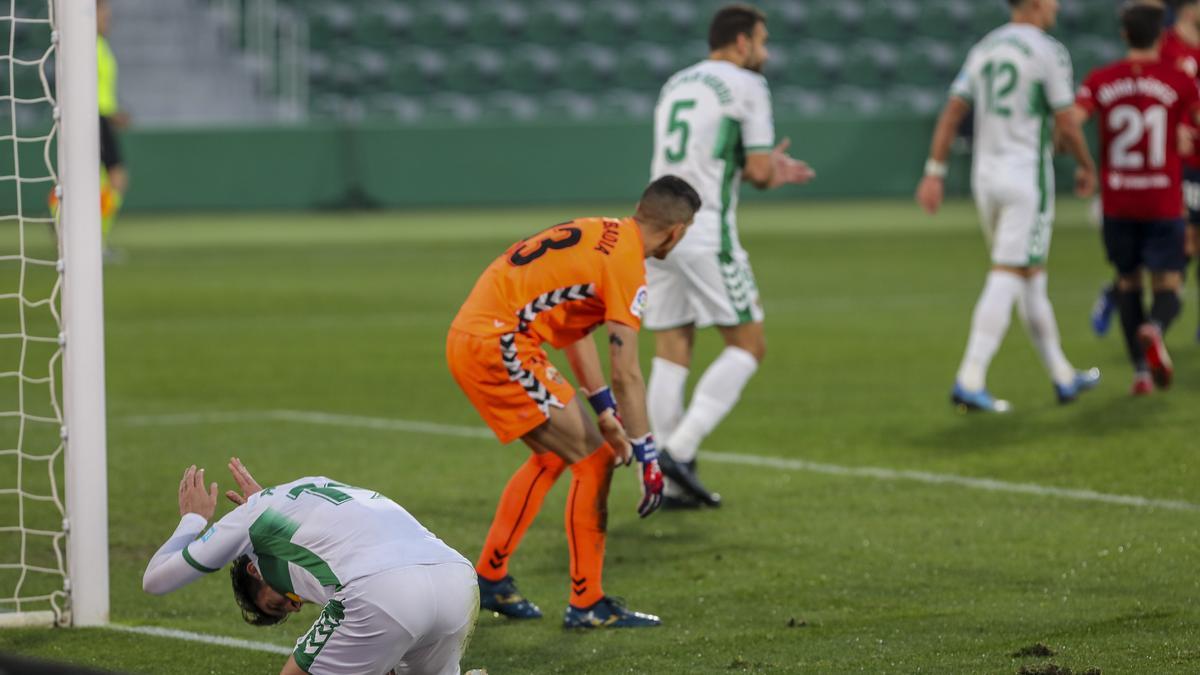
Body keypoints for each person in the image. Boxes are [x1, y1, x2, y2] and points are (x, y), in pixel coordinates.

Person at [446, 176, 700, 628]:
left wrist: (603, 411)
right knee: (595, 462)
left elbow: (574, 332)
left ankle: (490, 578)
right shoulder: (627, 265)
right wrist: (647, 454)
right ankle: (587, 603)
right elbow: (627, 372)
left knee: (554, 456)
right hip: (500, 343)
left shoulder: (600, 232)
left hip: (480, 335)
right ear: (677, 231)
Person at [645, 5, 815, 508]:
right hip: (701, 225)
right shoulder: (747, 84)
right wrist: (767, 169)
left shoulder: (678, 82)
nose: (764, 53)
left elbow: (704, 154)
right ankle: (681, 448)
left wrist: (745, 165)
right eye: (761, 42)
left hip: (653, 225)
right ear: (741, 43)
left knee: (672, 344)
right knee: (748, 344)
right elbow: (760, 170)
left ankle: (667, 481)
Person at [916, 0, 1101, 412]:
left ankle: (1062, 376)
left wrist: (934, 170)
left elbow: (952, 111)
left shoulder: (986, 47)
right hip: (1024, 178)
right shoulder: (1047, 50)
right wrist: (1087, 165)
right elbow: (1067, 121)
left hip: (985, 178)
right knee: (1009, 271)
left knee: (1029, 274)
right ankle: (970, 377)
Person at [142, 459, 479, 675]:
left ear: (254, 570)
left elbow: (155, 581)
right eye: (292, 607)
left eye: (277, 600)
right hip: (457, 580)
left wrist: (193, 518)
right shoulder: (309, 489)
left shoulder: (249, 522)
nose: (295, 602)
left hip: (381, 589)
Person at [1074, 1, 1199, 394]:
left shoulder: (1100, 79)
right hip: (1162, 199)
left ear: (1124, 34)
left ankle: (1140, 375)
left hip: (1118, 201)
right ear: (1162, 35)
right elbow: (1191, 128)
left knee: (1129, 282)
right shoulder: (1178, 81)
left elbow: (1072, 121)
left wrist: (1084, 163)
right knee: (1171, 283)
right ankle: (1155, 327)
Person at [97, 0, 129, 249]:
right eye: (103, 14)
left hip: (103, 117)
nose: (108, 19)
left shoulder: (101, 46)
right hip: (95, 119)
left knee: (101, 181)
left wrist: (114, 112)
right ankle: (97, 241)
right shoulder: (86, 48)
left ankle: (58, 214)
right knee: (116, 179)